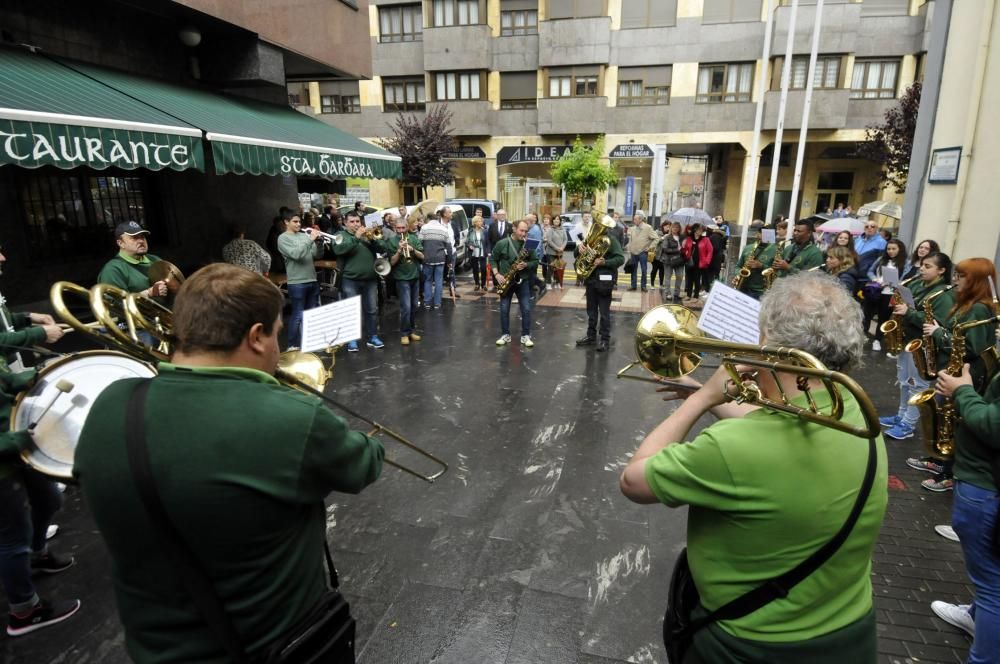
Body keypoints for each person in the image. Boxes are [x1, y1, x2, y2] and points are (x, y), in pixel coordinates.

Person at [74, 263, 383, 663]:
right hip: (276, 645)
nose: (278, 345)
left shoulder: (111, 403)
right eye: (276, 332)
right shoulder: (291, 418)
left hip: (156, 648)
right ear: (256, 336)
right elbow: (363, 465)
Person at [620, 271, 887, 663]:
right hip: (849, 635)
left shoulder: (733, 450)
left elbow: (634, 481)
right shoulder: (857, 414)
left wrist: (700, 401)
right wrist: (704, 392)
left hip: (749, 646)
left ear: (770, 343)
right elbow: (772, 434)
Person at [0, 245, 79, 637]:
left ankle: (37, 554)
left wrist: (31, 378)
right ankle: (23, 612)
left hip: (11, 434)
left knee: (51, 498)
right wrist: (14, 440)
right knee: (9, 538)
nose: (2, 259)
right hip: (4, 450)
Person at [932, 326, 1000, 663]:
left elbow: (993, 426)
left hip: (986, 486)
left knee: (992, 585)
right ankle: (976, 615)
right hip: (985, 482)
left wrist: (963, 392)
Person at [918, 258, 999, 493]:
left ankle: (949, 472)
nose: (956, 279)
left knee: (954, 422)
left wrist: (938, 333)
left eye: (962, 275)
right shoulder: (967, 304)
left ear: (975, 281)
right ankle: (939, 460)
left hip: (968, 373)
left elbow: (971, 347)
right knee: (947, 420)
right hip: (957, 370)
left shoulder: (979, 308)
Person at [882, 252, 954, 442]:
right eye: (922, 264)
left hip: (923, 345)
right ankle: (901, 415)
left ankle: (908, 424)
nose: (921, 268)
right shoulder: (916, 284)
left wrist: (909, 313)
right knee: (904, 381)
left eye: (928, 266)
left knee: (918, 386)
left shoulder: (944, 294)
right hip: (908, 339)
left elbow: (938, 322)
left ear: (941, 270)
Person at [330, 211, 385, 352]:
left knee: (372, 310)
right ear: (345, 223)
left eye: (357, 221)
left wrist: (373, 240)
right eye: (352, 221)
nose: (355, 224)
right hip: (350, 279)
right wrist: (356, 237)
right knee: (351, 311)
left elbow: (382, 248)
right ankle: (351, 340)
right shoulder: (340, 236)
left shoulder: (367, 234)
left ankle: (372, 337)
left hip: (370, 279)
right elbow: (339, 250)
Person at [277, 211, 323, 350]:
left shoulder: (304, 236)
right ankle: (292, 345)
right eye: (295, 221)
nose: (299, 224)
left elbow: (316, 255)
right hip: (297, 282)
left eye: (299, 221)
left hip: (312, 279)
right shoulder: (283, 238)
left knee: (312, 314)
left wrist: (319, 243)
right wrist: (310, 240)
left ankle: (312, 342)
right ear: (286, 222)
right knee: (298, 314)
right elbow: (296, 255)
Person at [575, 223, 625, 352]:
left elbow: (620, 258)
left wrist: (605, 262)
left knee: (604, 313)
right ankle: (591, 336)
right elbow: (577, 255)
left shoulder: (611, 240)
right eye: (596, 227)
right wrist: (578, 249)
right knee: (591, 311)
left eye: (599, 227)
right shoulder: (591, 239)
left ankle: (604, 340)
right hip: (591, 279)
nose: (596, 229)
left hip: (604, 281)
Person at [490, 220, 537, 348]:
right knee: (504, 309)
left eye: (526, 231)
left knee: (526, 309)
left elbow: (535, 261)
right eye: (521, 230)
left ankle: (525, 335)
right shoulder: (502, 243)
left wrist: (526, 264)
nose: (524, 233)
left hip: (523, 281)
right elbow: (493, 258)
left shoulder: (529, 244)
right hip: (506, 281)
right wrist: (497, 274)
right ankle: (505, 334)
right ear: (514, 229)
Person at [97, 221, 168, 299]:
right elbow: (116, 305)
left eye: (142, 237)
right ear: (120, 243)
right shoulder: (113, 270)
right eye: (134, 237)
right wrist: (149, 293)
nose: (141, 241)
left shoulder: (155, 259)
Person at [863, 239, 908, 352]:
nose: (891, 251)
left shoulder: (905, 263)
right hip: (875, 290)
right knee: (867, 315)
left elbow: (904, 280)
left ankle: (877, 340)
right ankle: (862, 336)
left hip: (889, 294)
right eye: (889, 249)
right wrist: (875, 279)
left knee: (883, 318)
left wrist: (890, 282)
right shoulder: (881, 259)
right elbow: (870, 271)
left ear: (900, 249)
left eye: (894, 249)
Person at [387, 216, 424, 346]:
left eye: (403, 228)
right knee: (406, 307)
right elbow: (391, 262)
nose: (400, 231)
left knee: (414, 306)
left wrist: (413, 250)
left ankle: (411, 331)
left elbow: (422, 256)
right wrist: (398, 251)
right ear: (395, 228)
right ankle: (404, 333)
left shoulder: (413, 238)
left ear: (407, 227)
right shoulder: (392, 241)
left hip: (414, 276)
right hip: (401, 278)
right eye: (398, 228)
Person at [418, 212, 454, 309]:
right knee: (439, 281)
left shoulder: (424, 228)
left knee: (428, 280)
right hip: (440, 258)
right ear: (437, 218)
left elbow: (419, 243)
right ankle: (438, 303)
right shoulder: (443, 229)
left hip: (427, 258)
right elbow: (449, 247)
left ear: (428, 219)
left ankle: (427, 302)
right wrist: (449, 261)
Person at [625, 213, 659, 292]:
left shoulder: (648, 227)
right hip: (633, 252)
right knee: (633, 269)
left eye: (635, 219)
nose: (634, 221)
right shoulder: (632, 228)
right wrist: (629, 250)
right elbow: (630, 240)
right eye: (634, 219)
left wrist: (650, 247)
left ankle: (643, 286)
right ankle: (633, 285)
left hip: (643, 252)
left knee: (644, 269)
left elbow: (656, 238)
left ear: (640, 220)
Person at [681, 223, 713, 305]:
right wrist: (684, 248)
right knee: (689, 279)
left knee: (697, 279)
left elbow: (710, 250)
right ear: (695, 230)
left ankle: (695, 296)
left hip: (699, 263)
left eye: (702, 230)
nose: (700, 231)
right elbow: (685, 250)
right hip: (689, 262)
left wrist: (707, 261)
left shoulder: (706, 239)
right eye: (699, 229)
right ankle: (688, 295)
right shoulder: (689, 239)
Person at [657, 221, 686, 303]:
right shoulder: (667, 237)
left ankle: (677, 293)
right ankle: (668, 293)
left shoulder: (682, 237)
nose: (675, 229)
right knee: (668, 277)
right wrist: (677, 250)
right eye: (674, 227)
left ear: (679, 228)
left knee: (680, 276)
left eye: (677, 227)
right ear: (671, 228)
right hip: (668, 260)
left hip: (679, 260)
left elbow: (686, 247)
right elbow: (665, 249)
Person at [543, 215, 568, 289]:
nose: (556, 220)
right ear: (552, 221)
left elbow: (565, 239)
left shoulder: (563, 229)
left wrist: (562, 247)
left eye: (558, 219)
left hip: (560, 253)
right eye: (555, 219)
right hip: (551, 252)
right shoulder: (550, 229)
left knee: (559, 268)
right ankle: (548, 283)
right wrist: (557, 248)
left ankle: (557, 282)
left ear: (560, 221)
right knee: (551, 268)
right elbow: (549, 241)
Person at [525, 213, 545, 297]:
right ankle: (538, 286)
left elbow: (536, 246)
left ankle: (532, 292)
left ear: (530, 222)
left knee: (530, 275)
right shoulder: (532, 229)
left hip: (533, 257)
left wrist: (534, 258)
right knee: (530, 275)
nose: (524, 222)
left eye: (525, 221)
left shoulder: (535, 230)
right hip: (531, 256)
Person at [468, 215, 488, 291]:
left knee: (483, 269)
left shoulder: (485, 231)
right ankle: (477, 283)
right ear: (475, 223)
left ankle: (483, 284)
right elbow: (468, 241)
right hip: (474, 252)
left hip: (482, 251)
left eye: (481, 221)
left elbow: (487, 242)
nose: (481, 223)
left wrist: (488, 251)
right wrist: (470, 246)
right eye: (479, 221)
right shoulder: (471, 231)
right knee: (475, 269)